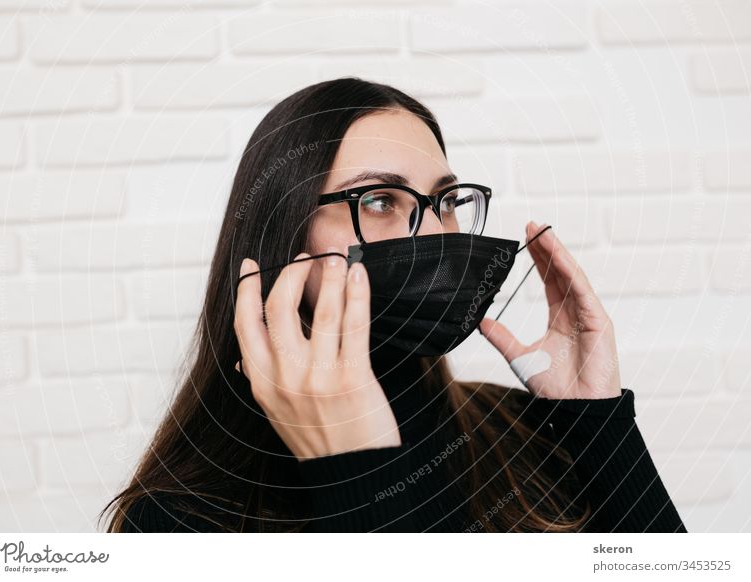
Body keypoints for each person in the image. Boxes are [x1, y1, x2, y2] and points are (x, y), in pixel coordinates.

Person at [101, 77, 686, 533]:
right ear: (282, 236)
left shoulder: (533, 433)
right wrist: (358, 471)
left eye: (446, 200)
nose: (436, 233)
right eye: (380, 198)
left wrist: (597, 426)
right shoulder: (179, 520)